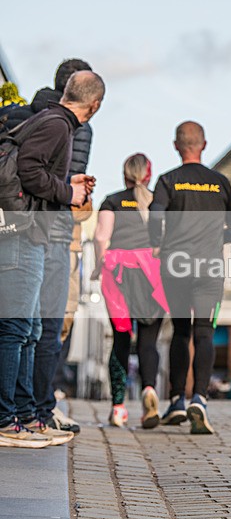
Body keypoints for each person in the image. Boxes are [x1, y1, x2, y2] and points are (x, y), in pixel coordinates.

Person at [0, 70, 102, 448]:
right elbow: (29, 169)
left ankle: (24, 416)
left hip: (30, 234)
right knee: (17, 330)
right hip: (25, 234)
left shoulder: (49, 120)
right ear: (94, 106)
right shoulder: (59, 125)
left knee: (27, 331)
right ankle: (9, 420)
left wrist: (68, 186)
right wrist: (68, 193)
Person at [148, 121, 231, 434]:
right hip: (210, 267)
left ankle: (177, 399)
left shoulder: (168, 180)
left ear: (176, 146)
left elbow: (155, 217)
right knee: (205, 331)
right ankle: (199, 399)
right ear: (203, 145)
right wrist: (217, 240)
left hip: (176, 265)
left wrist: (158, 243)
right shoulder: (219, 182)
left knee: (180, 331)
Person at [30, 60, 96, 436]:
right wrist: (77, 192)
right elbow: (66, 183)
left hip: (22, 227)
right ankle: (39, 408)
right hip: (55, 232)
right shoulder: (71, 125)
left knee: (24, 323)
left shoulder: (25, 112)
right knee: (53, 322)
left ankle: (27, 407)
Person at [93, 153, 169, 428]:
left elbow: (102, 237)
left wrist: (97, 266)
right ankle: (149, 390)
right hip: (152, 273)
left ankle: (118, 407)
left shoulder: (112, 201)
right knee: (149, 341)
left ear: (124, 174)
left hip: (119, 272)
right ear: (149, 176)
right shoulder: (158, 203)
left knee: (121, 340)